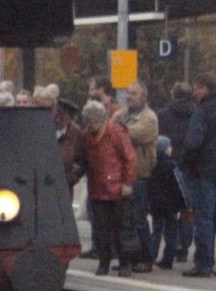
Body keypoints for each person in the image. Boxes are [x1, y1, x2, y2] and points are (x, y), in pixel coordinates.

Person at [76, 100, 139, 277]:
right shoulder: (88, 135)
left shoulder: (116, 133)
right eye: (87, 122)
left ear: (101, 120)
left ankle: (125, 263)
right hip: (98, 189)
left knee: (122, 229)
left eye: (91, 122)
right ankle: (104, 262)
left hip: (117, 189)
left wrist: (128, 183)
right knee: (101, 231)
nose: (89, 126)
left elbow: (130, 159)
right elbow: (82, 159)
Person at [114, 79, 158, 271]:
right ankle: (128, 258)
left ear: (144, 97)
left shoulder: (149, 118)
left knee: (139, 219)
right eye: (128, 93)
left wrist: (116, 131)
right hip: (119, 175)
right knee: (123, 220)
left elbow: (129, 136)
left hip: (140, 176)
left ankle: (146, 259)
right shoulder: (121, 114)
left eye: (133, 93)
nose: (129, 97)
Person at [180, 72, 216, 278]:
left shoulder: (202, 111)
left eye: (196, 88)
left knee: (203, 219)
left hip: (203, 173)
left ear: (204, 89)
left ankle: (203, 264)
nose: (194, 92)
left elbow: (193, 143)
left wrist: (186, 163)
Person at [157, 81, 195, 262]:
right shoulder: (197, 114)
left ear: (173, 95)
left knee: (169, 210)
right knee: (188, 208)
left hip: (168, 167)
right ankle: (183, 247)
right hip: (190, 167)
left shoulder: (163, 115)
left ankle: (170, 247)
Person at [148, 136, 188, 269]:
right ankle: (168, 259)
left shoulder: (153, 165)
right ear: (165, 149)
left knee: (156, 231)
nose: (171, 148)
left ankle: (150, 257)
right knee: (171, 233)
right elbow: (179, 185)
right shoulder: (171, 165)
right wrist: (184, 203)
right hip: (171, 206)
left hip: (156, 205)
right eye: (169, 146)